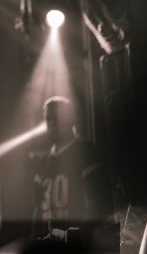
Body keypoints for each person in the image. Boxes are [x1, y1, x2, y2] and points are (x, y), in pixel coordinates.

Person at [32, 96, 114, 250]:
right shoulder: (43, 163)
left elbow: (99, 208)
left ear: (70, 119)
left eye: (56, 117)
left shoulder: (87, 154)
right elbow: (38, 210)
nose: (51, 123)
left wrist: (71, 237)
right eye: (48, 119)